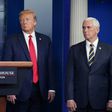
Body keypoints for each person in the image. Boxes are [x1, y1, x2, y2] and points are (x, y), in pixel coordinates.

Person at [2, 9, 55, 112]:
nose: (24, 22)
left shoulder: (45, 40)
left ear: (35, 22)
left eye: (27, 19)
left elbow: (49, 66)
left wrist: (51, 88)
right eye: (21, 20)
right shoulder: (11, 40)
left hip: (40, 91)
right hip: (18, 92)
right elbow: (6, 66)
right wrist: (9, 90)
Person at [65, 17, 112, 112]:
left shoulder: (109, 50)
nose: (85, 30)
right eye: (83, 27)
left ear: (97, 30)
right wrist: (69, 98)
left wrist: (111, 99)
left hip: (101, 101)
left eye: (88, 27)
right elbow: (69, 76)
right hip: (79, 101)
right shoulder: (74, 49)